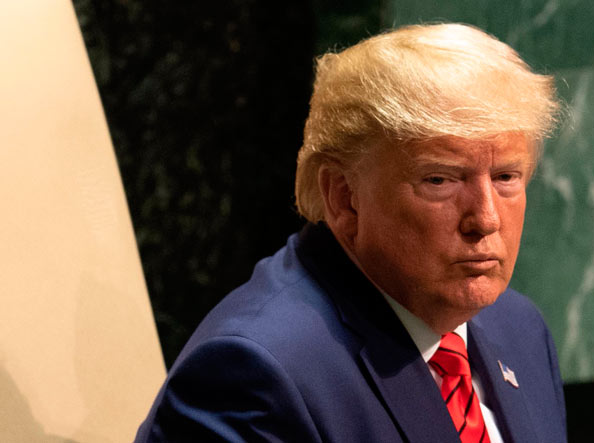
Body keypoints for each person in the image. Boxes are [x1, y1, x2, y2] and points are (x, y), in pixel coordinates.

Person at [136, 23, 566, 443]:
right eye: (440, 180)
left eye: (507, 177)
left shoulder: (518, 327)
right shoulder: (254, 375)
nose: (487, 219)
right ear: (345, 197)